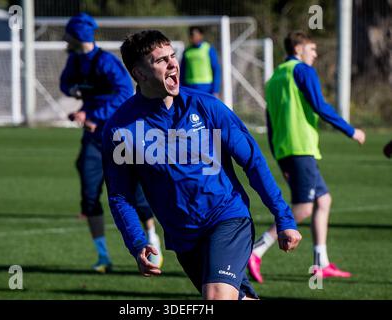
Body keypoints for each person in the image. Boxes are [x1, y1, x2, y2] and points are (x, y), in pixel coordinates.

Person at [101, 30, 302, 300]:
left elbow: (252, 161)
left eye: (173, 56)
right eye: (161, 60)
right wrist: (137, 243)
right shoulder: (121, 129)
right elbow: (120, 195)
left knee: (216, 297)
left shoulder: (206, 108)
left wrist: (284, 217)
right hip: (184, 239)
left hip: (227, 218)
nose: (173, 64)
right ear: (139, 74)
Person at [248, 31, 366, 283]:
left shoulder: (275, 77)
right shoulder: (302, 71)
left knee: (323, 201)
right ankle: (256, 250)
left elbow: (270, 122)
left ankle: (320, 262)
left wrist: (277, 154)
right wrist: (351, 130)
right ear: (299, 48)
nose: (314, 54)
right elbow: (320, 106)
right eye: (312, 49)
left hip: (285, 149)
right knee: (302, 209)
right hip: (301, 148)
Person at [59, 13, 163, 273]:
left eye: (67, 35)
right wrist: (75, 94)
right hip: (93, 140)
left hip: (120, 137)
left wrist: (93, 115)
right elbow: (65, 83)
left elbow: (125, 94)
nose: (64, 39)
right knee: (89, 194)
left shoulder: (106, 62)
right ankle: (103, 256)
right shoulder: (74, 61)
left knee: (136, 195)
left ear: (77, 36)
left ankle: (152, 240)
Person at [180, 26, 221, 97]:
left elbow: (216, 69)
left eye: (195, 34)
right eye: (191, 35)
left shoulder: (208, 49)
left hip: (206, 87)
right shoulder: (187, 51)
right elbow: (182, 71)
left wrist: (215, 89)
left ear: (201, 35)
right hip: (189, 87)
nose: (193, 37)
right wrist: (181, 87)